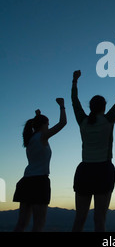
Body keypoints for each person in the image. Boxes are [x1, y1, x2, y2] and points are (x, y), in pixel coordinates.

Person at [71, 69, 115, 232]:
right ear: (104, 106)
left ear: (91, 107)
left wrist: (75, 81)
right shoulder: (109, 119)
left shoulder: (82, 120)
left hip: (85, 171)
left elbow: (75, 101)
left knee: (79, 218)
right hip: (104, 170)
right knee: (100, 219)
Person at [13, 98, 67, 232]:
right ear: (43, 125)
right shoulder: (43, 136)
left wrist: (38, 116)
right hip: (39, 182)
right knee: (39, 224)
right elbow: (62, 123)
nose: (49, 126)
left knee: (21, 224)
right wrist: (62, 106)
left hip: (26, 182)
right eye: (48, 124)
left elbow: (37, 126)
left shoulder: (30, 138)